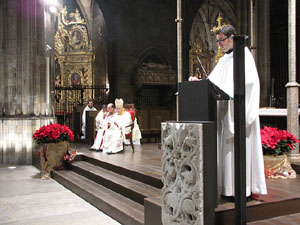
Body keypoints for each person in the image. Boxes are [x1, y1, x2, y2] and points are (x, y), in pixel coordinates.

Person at [208, 24, 267, 198]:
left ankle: (242, 189)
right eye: (217, 41)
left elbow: (250, 83)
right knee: (226, 153)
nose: (219, 44)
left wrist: (226, 89)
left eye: (221, 40)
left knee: (238, 152)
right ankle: (227, 189)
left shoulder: (244, 56)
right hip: (225, 112)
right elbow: (212, 82)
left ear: (232, 37)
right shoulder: (224, 60)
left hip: (239, 113)